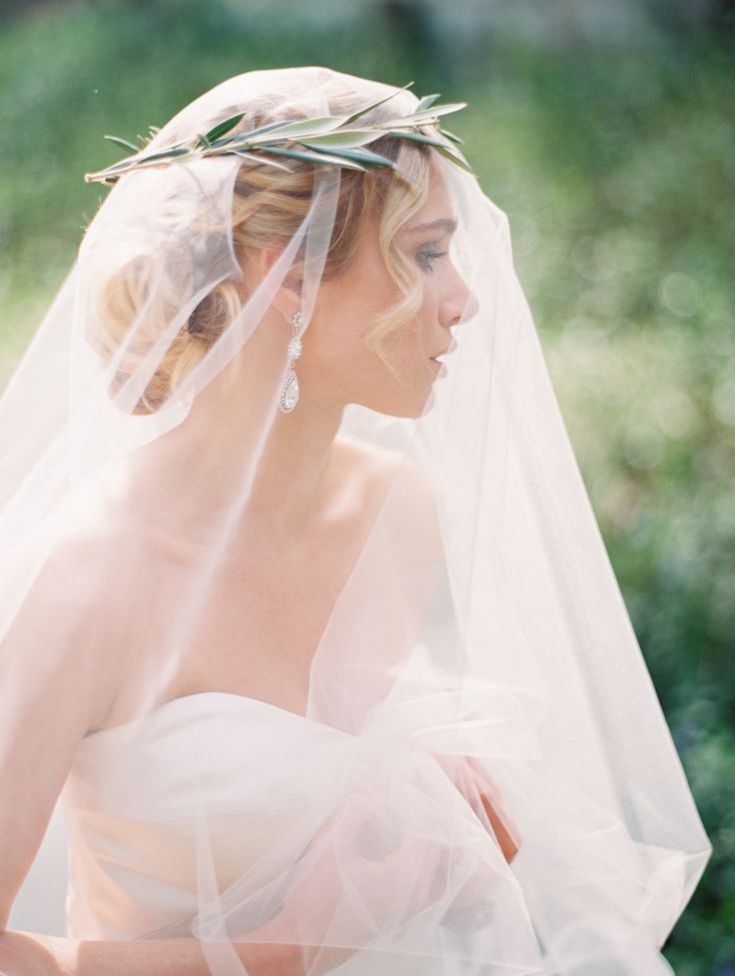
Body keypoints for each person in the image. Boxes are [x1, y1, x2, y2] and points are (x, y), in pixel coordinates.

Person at [0, 66, 711, 975]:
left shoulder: (396, 512)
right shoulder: (82, 582)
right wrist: (274, 950)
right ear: (288, 274)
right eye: (423, 253)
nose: (463, 298)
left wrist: (437, 821)